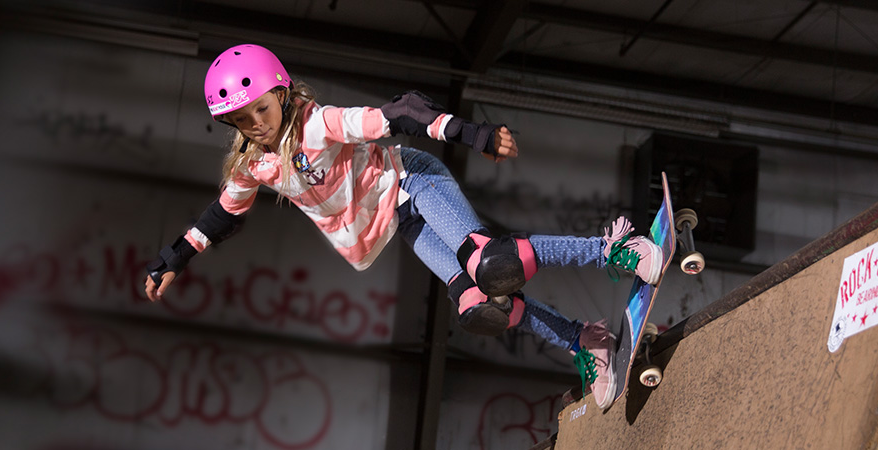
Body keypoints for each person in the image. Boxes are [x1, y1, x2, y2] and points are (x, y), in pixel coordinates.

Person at [141, 44, 660, 400]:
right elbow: (220, 215)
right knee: (483, 306)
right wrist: (173, 261)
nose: (255, 125)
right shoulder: (256, 164)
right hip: (398, 223)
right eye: (240, 119)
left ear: (280, 92)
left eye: (259, 109)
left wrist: (474, 135)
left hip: (414, 183)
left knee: (491, 262)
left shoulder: (319, 123)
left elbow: (401, 114)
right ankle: (586, 341)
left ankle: (615, 248)